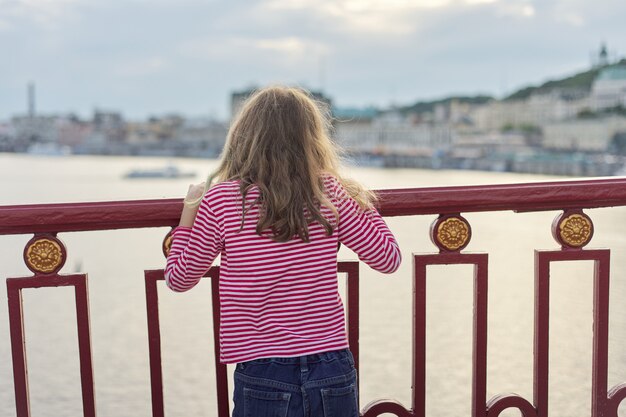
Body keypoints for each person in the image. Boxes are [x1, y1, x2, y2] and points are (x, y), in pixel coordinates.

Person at [165, 85, 401, 417]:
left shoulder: (221, 201)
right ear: (312, 139)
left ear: (243, 138)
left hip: (262, 368)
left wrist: (188, 215)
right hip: (330, 363)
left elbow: (178, 278)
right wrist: (358, 199)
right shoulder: (329, 194)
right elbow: (388, 258)